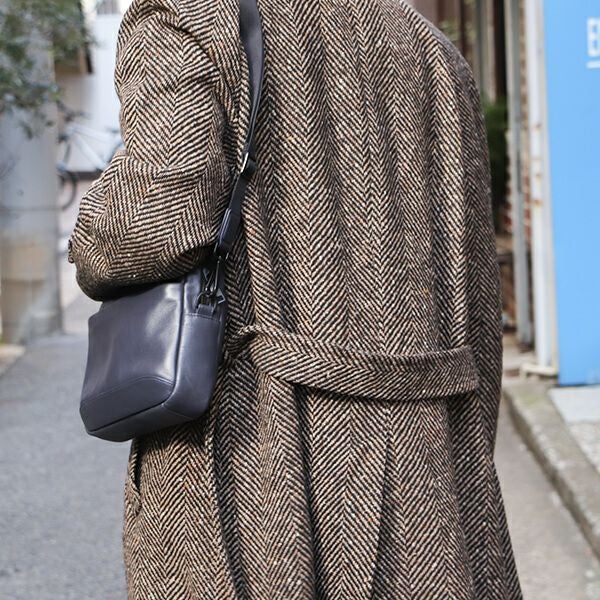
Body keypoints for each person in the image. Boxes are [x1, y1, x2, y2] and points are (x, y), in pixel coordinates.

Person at [68, 0, 523, 597]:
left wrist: (90, 232)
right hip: (431, 469)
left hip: (260, 458)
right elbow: (477, 302)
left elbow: (156, 223)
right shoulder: (427, 45)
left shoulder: (188, 18)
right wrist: (462, 459)